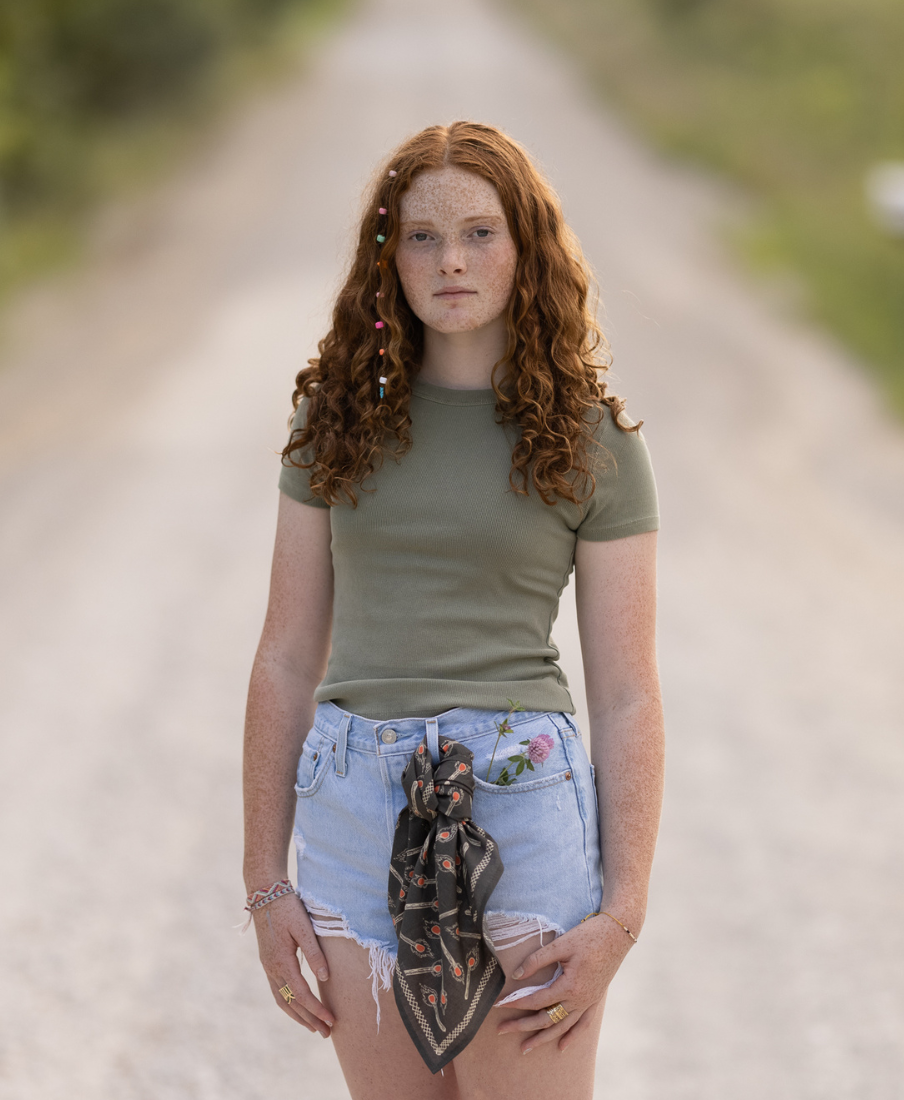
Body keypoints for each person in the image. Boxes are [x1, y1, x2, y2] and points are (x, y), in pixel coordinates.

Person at [242, 120, 664, 1100]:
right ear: (386, 259)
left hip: (521, 793)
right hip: (351, 799)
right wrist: (265, 883)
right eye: (421, 237)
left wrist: (623, 911)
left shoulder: (593, 439)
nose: (451, 261)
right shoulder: (333, 418)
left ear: (525, 245)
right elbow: (284, 656)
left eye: (479, 232)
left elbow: (629, 692)